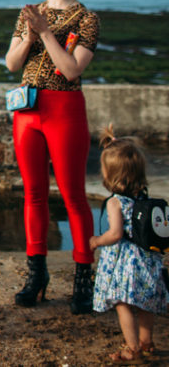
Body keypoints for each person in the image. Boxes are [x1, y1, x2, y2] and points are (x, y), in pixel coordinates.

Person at [4, 0, 100, 313]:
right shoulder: (29, 12)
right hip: (28, 111)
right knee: (33, 194)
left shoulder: (87, 19)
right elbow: (12, 65)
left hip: (65, 111)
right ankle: (36, 275)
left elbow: (72, 70)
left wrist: (46, 32)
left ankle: (83, 280)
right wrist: (29, 35)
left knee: (74, 196)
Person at [90, 126, 168, 364]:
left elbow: (115, 234)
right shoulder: (143, 197)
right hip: (148, 259)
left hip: (125, 264)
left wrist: (96, 241)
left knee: (123, 303)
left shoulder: (115, 202)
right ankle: (146, 341)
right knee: (145, 303)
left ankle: (132, 347)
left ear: (109, 174)